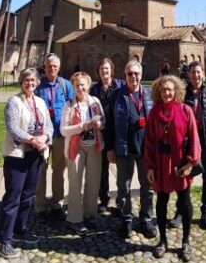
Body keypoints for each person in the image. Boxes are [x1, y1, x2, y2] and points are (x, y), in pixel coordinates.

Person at [0, 67, 53, 259]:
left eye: (33, 80)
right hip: (17, 155)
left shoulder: (40, 101)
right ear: (21, 82)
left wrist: (44, 138)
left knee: (28, 196)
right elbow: (13, 129)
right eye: (27, 80)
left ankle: (21, 229)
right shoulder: (14, 102)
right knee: (13, 197)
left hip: (35, 156)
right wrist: (33, 139)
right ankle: (4, 240)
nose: (30, 83)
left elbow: (50, 127)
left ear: (37, 82)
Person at [144, 75, 200, 262]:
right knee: (161, 200)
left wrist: (190, 163)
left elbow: (193, 138)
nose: (166, 92)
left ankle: (185, 241)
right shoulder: (154, 113)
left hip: (180, 164)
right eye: (163, 89)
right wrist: (150, 167)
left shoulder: (185, 111)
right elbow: (149, 142)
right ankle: (162, 240)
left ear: (176, 91)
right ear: (158, 92)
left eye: (169, 89)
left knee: (184, 201)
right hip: (161, 163)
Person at [105, 59, 157, 239]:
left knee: (148, 186)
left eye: (136, 73)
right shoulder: (116, 95)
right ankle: (126, 218)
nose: (133, 77)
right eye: (129, 74)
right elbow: (109, 125)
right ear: (124, 76)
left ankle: (146, 218)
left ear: (141, 75)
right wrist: (110, 148)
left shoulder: (150, 94)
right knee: (123, 187)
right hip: (123, 147)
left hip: (145, 148)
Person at [170, 61, 206, 230]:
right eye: (193, 72)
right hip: (188, 142)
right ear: (188, 75)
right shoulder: (182, 95)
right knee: (184, 178)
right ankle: (181, 212)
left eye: (199, 72)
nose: (196, 76)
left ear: (203, 74)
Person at [61, 72, 105, 234]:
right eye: (77, 85)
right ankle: (74, 219)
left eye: (83, 84)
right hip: (76, 146)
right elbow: (64, 130)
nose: (81, 88)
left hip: (94, 145)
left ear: (88, 85)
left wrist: (99, 124)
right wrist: (83, 126)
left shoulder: (95, 102)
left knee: (93, 182)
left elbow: (104, 121)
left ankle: (90, 214)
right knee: (75, 183)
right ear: (73, 87)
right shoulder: (69, 104)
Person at [34, 53, 74, 220]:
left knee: (59, 170)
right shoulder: (37, 86)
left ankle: (57, 204)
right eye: (49, 66)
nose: (52, 69)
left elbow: (73, 106)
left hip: (59, 135)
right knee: (40, 170)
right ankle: (40, 206)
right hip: (42, 136)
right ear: (44, 67)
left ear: (59, 68)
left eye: (55, 66)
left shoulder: (65, 85)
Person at [89, 58, 123, 215]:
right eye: (102, 69)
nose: (104, 72)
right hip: (101, 134)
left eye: (107, 69)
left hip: (118, 132)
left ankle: (122, 200)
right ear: (98, 71)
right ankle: (103, 199)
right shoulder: (94, 90)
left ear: (112, 71)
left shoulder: (120, 86)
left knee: (122, 169)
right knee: (102, 169)